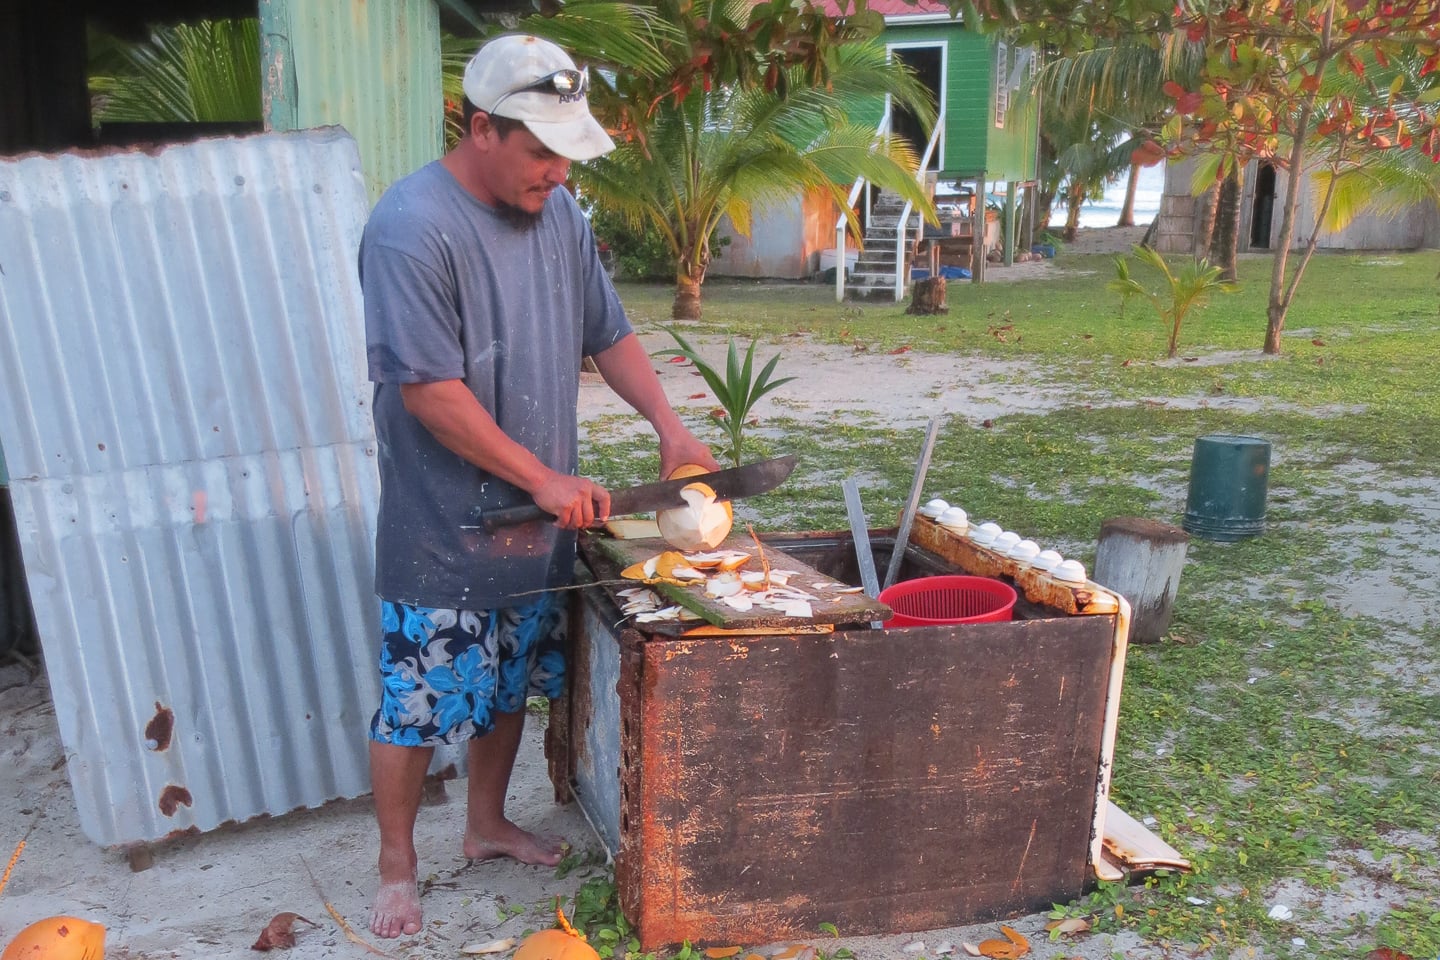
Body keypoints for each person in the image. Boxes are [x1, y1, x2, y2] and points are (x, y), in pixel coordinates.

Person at [358, 33, 718, 939]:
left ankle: (484, 827)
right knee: (414, 706)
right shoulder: (412, 228)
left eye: (568, 150)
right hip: (440, 528)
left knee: (510, 684)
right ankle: (395, 868)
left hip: (537, 526)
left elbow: (610, 332)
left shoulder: (559, 215)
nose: (558, 170)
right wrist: (542, 474)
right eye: (541, 149)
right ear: (481, 128)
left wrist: (670, 427)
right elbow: (429, 392)